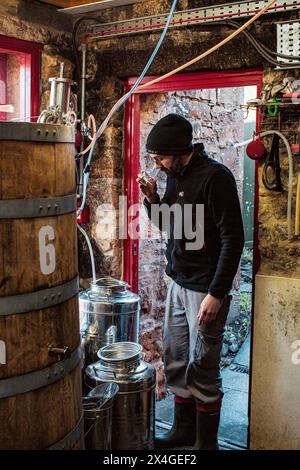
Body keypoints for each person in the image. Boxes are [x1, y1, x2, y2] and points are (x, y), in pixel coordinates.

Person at [137, 113, 244, 450]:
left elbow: (233, 239)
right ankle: (183, 432)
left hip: (205, 290)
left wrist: (217, 293)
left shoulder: (216, 178)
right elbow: (172, 225)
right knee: (176, 359)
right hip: (178, 282)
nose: (157, 164)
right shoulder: (176, 175)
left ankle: (205, 445)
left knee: (204, 367)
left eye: (159, 157)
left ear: (180, 150)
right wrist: (153, 199)